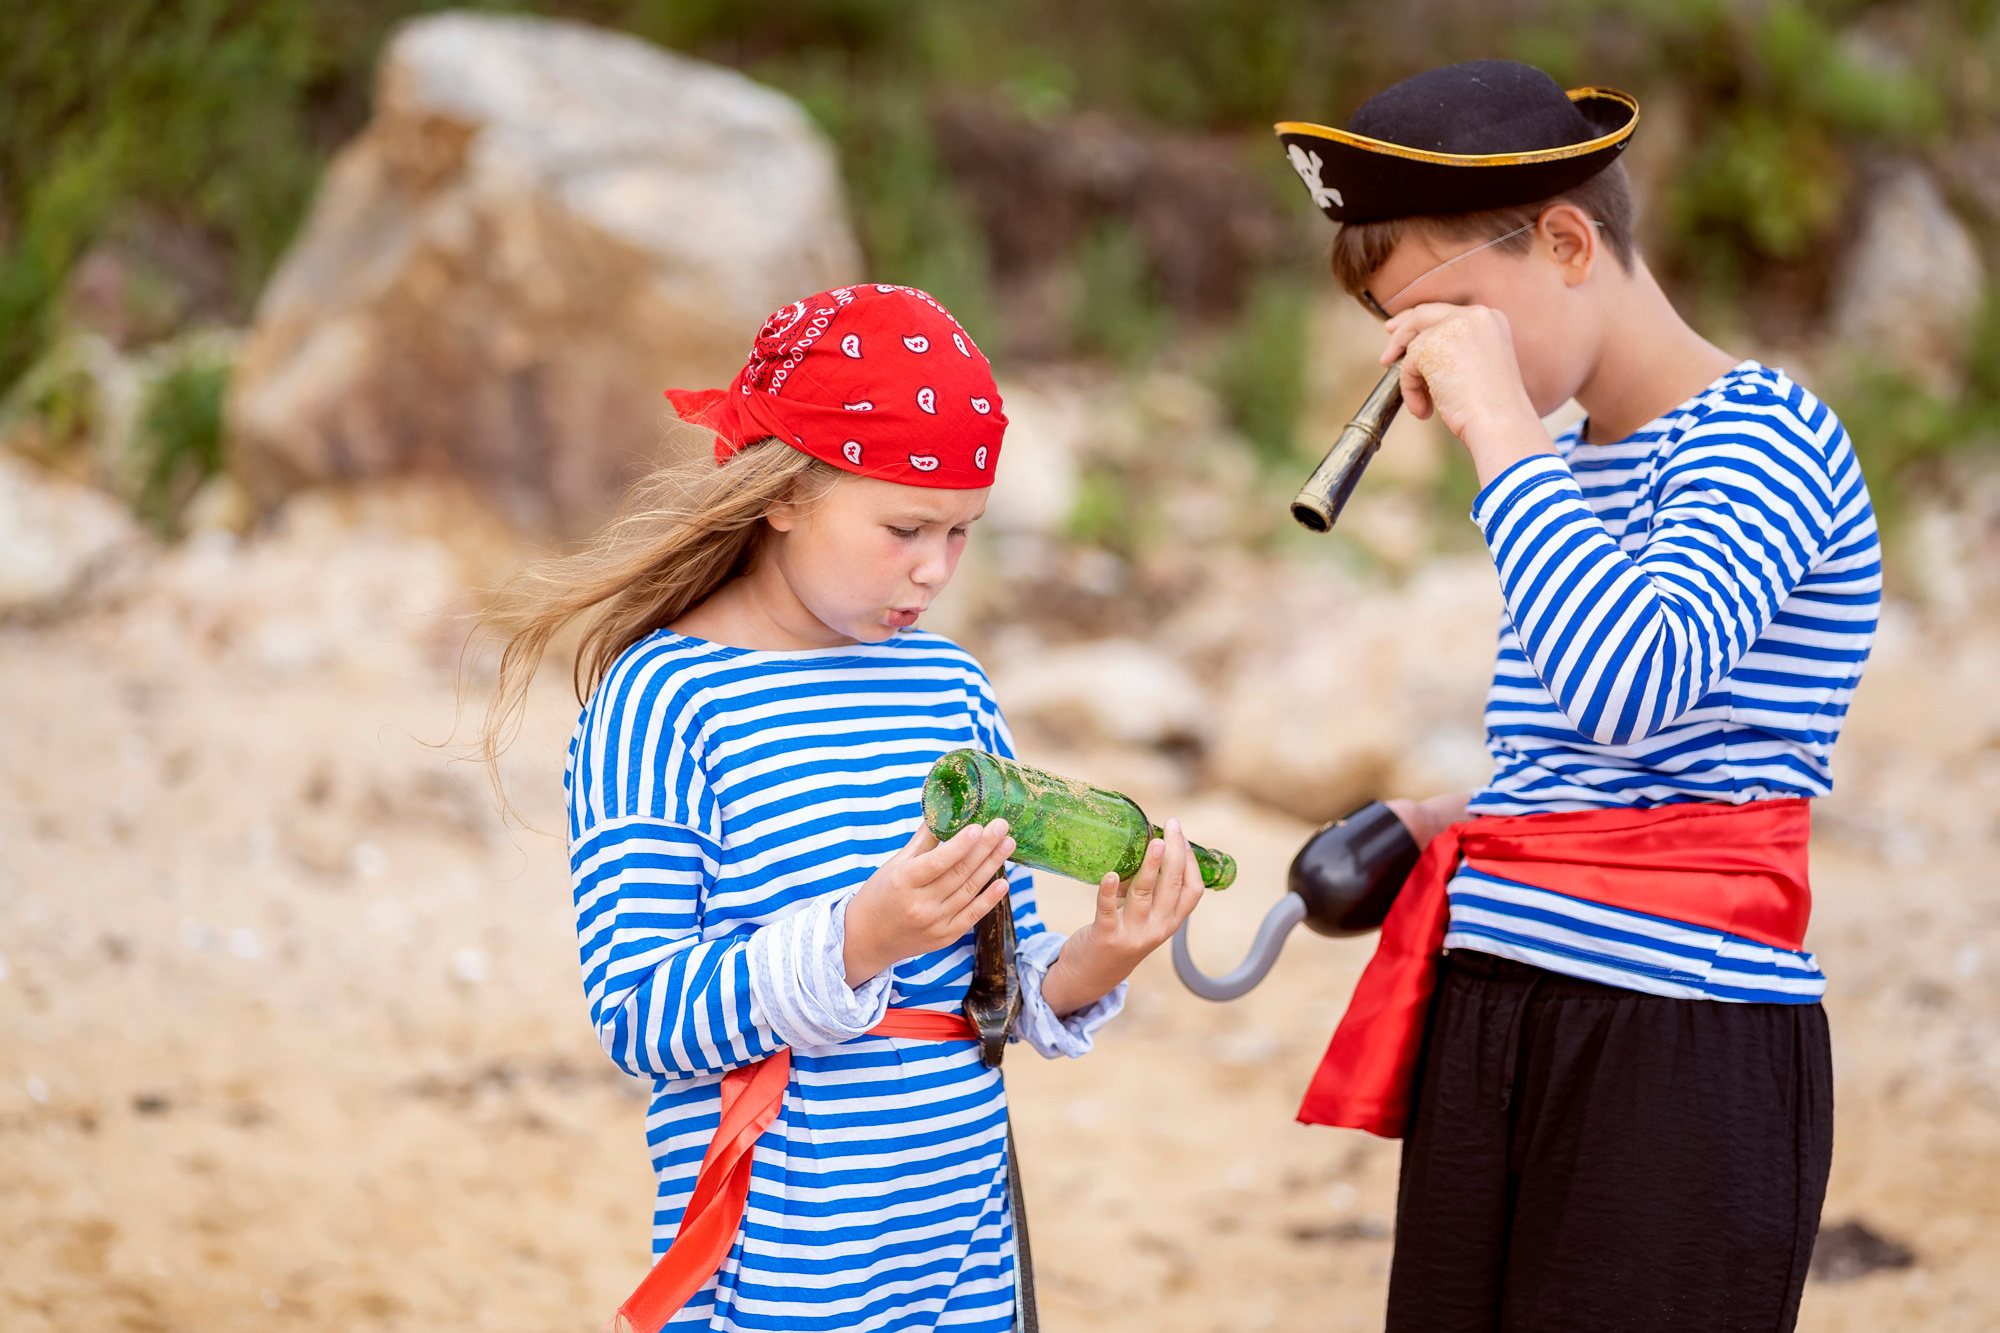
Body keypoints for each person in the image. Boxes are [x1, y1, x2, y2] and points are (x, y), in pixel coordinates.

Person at [1278, 61, 1880, 1331]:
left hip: (1671, 1034)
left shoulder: (1767, 434)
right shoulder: (1560, 463)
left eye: (1442, 321)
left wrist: (1498, 432)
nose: (1420, 371)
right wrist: (1445, 815)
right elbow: (1579, 759)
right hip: (1498, 1000)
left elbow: (1628, 687)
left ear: (1562, 240)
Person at [478, 283, 1205, 1333]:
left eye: (961, 532)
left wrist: (1108, 949)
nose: (931, 568)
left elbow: (1006, 980)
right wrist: (860, 937)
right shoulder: (663, 699)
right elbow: (637, 1016)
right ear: (782, 491)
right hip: (781, 1255)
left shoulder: (949, 688)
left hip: (958, 1245)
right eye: (904, 525)